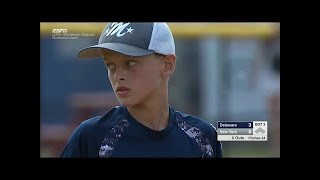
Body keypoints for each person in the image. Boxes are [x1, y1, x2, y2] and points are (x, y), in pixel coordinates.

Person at [60, 22, 223, 158]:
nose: (118, 76)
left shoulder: (203, 137)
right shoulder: (91, 138)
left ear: (168, 65)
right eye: (110, 65)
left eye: (130, 63)